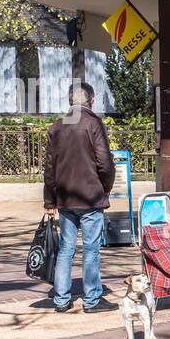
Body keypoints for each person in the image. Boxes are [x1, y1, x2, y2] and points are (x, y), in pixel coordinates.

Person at [44, 82, 116, 313]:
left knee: (65, 249)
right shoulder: (93, 124)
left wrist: (49, 200)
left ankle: (61, 299)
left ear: (69, 102)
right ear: (91, 101)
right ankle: (92, 300)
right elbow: (105, 162)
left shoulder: (56, 128)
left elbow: (49, 168)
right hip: (90, 197)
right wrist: (104, 188)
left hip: (66, 198)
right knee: (91, 249)